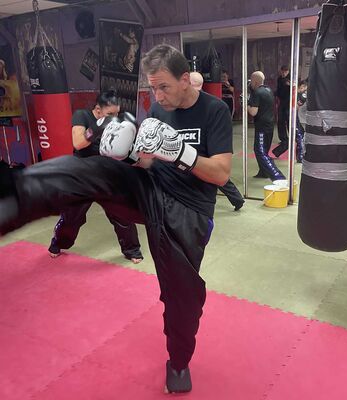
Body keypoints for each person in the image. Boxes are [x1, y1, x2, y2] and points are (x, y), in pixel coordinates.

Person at [0, 44, 233, 393]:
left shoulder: (214, 110)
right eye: (152, 87)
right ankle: (13, 196)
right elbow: (148, 161)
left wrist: (181, 152)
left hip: (189, 211)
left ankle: (179, 362)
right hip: (150, 189)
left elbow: (221, 174)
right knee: (93, 168)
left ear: (185, 80)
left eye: (164, 86)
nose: (157, 95)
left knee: (182, 295)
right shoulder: (157, 108)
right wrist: (128, 155)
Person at [48, 90, 143, 263]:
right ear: (98, 110)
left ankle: (132, 250)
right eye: (110, 114)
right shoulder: (82, 116)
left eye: (117, 113)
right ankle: (58, 242)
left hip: (107, 175)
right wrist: (98, 128)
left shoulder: (119, 122)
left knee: (122, 213)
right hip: (82, 176)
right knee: (72, 217)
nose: (114, 117)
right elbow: (77, 143)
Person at [190, 71, 244, 211]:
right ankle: (237, 199)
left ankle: (237, 199)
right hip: (202, 142)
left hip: (206, 144)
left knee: (215, 173)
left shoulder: (210, 105)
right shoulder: (207, 104)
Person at [247, 71, 285, 181]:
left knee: (260, 151)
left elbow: (253, 112)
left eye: (251, 80)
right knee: (263, 150)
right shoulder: (268, 90)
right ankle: (263, 172)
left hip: (262, 127)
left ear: (255, 81)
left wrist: (245, 104)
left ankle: (278, 177)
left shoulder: (257, 93)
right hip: (269, 125)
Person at [273, 65, 291, 158]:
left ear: (288, 71)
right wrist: (276, 97)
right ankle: (283, 138)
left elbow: (294, 89)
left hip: (289, 102)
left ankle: (291, 138)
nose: (284, 73)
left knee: (288, 120)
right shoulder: (279, 79)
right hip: (282, 101)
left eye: (286, 71)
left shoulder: (291, 78)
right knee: (280, 121)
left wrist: (290, 84)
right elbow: (279, 90)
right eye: (283, 71)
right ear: (281, 71)